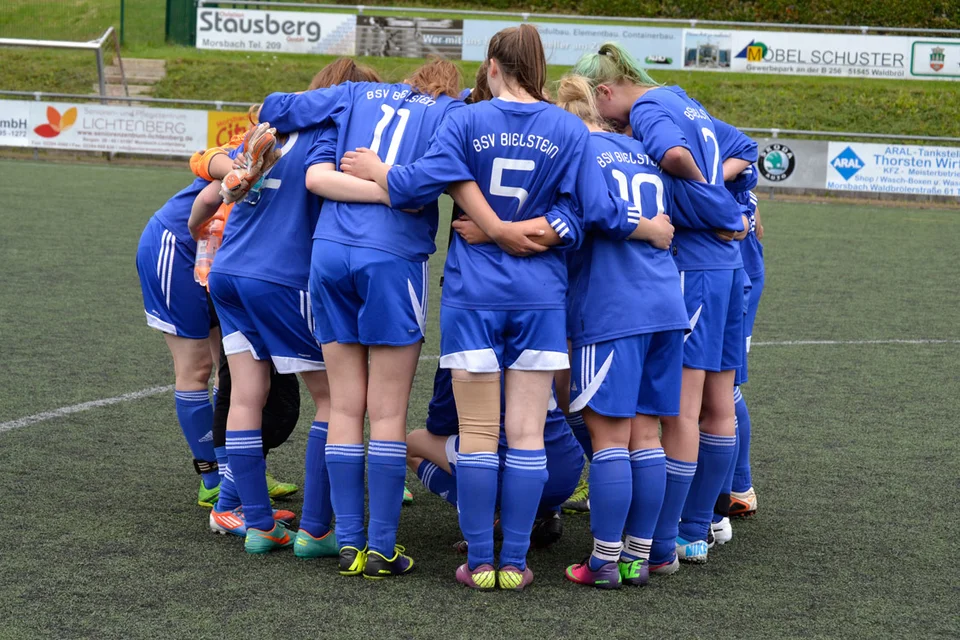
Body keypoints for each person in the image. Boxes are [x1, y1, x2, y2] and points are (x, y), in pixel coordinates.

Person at [340, 25, 621, 590]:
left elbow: (420, 184)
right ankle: (514, 564)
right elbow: (587, 211)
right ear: (539, 66)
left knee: (475, 435)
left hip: (474, 297)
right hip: (541, 297)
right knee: (525, 434)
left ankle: (479, 562)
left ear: (493, 65)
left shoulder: (466, 119)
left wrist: (381, 174)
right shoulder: (568, 128)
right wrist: (532, 232)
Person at [255, 58, 464, 578]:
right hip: (392, 258)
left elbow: (282, 120)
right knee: (388, 414)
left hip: (328, 255)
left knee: (345, 407)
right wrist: (394, 191)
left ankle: (347, 543)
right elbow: (429, 185)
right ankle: (382, 549)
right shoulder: (452, 111)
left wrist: (373, 180)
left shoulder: (353, 95)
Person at [192, 58, 382, 556]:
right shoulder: (333, 137)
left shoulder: (272, 130)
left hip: (229, 272)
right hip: (281, 277)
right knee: (337, 401)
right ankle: (316, 530)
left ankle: (257, 524)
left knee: (245, 397)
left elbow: (223, 179)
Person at [572, 42, 748, 572]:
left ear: (605, 91)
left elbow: (672, 157)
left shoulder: (646, 110)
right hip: (725, 268)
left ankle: (664, 538)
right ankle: (693, 529)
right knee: (718, 401)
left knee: (676, 413)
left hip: (686, 269)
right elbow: (746, 148)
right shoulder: (684, 99)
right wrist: (728, 205)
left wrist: (707, 199)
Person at [552, 75, 688, 589]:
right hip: (664, 303)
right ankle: (639, 556)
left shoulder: (577, 150)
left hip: (613, 308)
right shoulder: (637, 148)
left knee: (608, 440)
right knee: (646, 436)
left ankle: (605, 562)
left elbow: (591, 214)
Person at [135, 146, 239, 508]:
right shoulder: (276, 135)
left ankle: (237, 467)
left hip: (221, 257)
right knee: (196, 368)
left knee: (233, 366)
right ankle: (212, 475)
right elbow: (209, 159)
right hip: (177, 247)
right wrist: (238, 167)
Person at [409, 365, 583, 549]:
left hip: (510, 465)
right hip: (567, 468)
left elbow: (440, 423)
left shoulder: (468, 341)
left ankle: (485, 524)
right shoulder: (537, 337)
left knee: (412, 444)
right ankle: (546, 512)